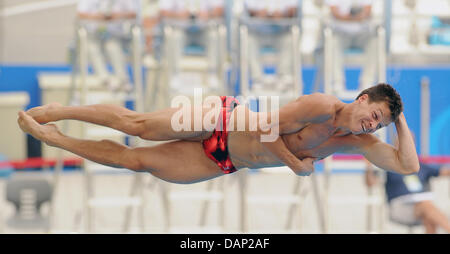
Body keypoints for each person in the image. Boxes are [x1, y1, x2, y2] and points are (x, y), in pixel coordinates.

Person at [18, 83, 419, 184]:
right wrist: (295, 164)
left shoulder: (361, 141)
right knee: (136, 126)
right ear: (363, 98)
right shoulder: (319, 106)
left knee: (135, 160)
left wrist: (398, 118)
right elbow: (265, 129)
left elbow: (408, 166)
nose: (374, 125)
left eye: (381, 124)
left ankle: (55, 137)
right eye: (376, 114)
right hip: (222, 120)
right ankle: (59, 110)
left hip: (224, 159)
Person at [365, 145, 450, 233]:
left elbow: (445, 172)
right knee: (427, 207)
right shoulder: (388, 166)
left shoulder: (421, 166)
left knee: (429, 216)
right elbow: (370, 183)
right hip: (399, 206)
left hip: (422, 205)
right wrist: (368, 167)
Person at [77, 0, 138, 92]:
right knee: (92, 48)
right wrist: (97, 17)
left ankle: (122, 79)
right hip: (93, 34)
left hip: (114, 34)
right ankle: (105, 80)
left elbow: (133, 13)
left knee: (112, 47)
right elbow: (80, 14)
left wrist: (116, 16)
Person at [244, 0, 299, 90]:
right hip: (258, 32)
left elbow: (292, 9)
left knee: (290, 39)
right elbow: (250, 10)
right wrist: (261, 14)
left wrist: (282, 14)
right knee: (248, 40)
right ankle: (257, 80)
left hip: (281, 31)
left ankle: (283, 78)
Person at [325, 0, 377, 93]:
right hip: (340, 33)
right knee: (333, 42)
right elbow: (334, 13)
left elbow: (367, 12)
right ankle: (338, 82)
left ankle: (367, 82)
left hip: (362, 34)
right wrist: (356, 17)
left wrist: (347, 17)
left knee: (374, 41)